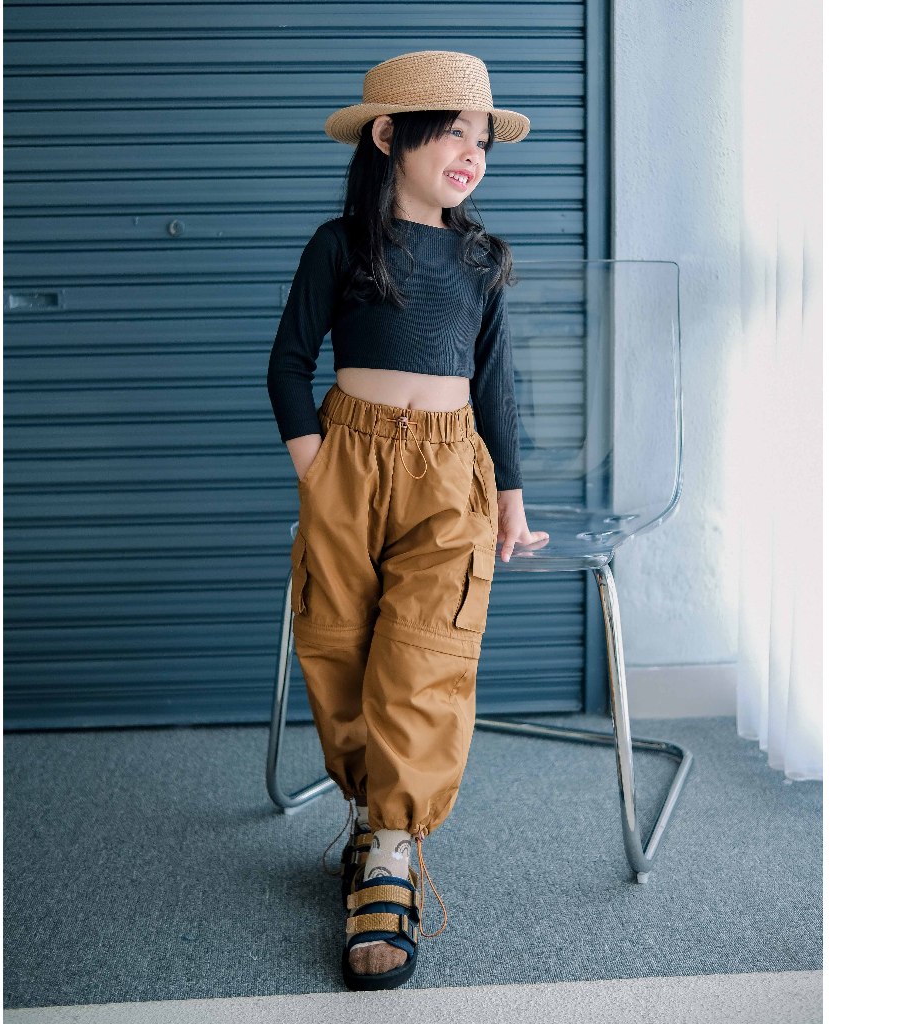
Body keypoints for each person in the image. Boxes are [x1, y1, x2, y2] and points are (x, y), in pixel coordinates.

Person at [265, 50, 548, 991]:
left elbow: (496, 382)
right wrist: (321, 473)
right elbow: (287, 365)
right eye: (453, 132)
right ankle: (367, 816)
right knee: (339, 642)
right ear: (389, 135)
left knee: (427, 653)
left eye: (483, 139)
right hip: (347, 461)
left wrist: (509, 495)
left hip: (450, 472)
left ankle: (392, 848)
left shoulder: (481, 259)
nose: (472, 153)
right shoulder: (340, 244)